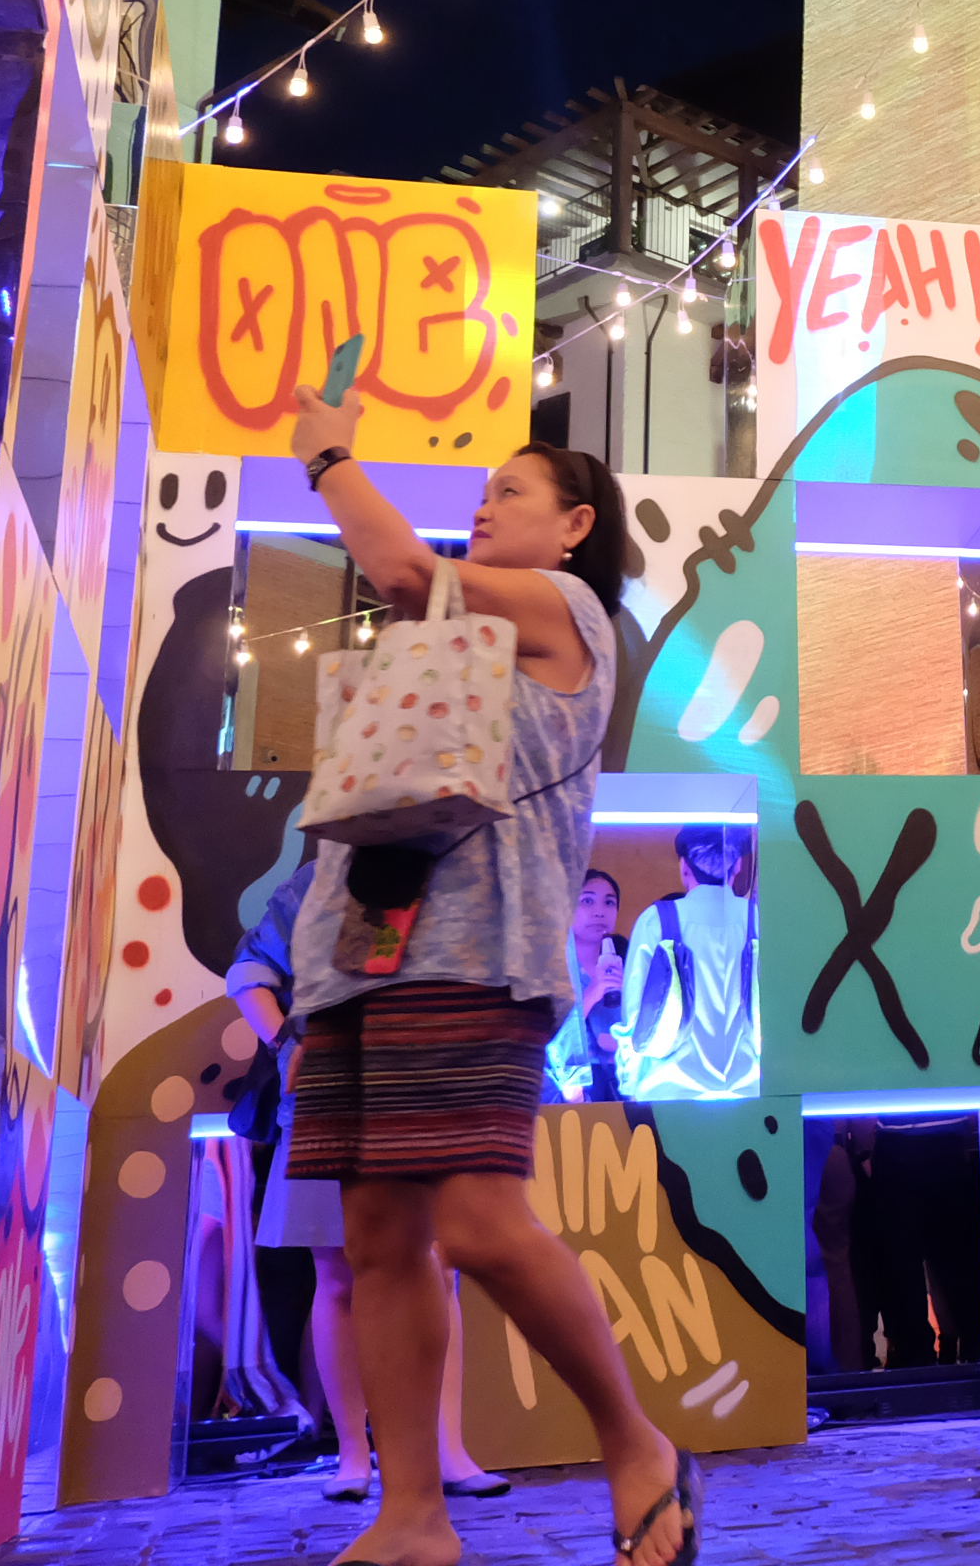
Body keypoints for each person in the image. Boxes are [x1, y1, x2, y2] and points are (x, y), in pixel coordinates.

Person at [283, 397, 698, 1566]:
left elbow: (404, 570)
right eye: (482, 493)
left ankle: (636, 1443)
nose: (484, 507)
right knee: (378, 1241)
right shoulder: (459, 639)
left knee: (476, 1222)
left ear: (576, 525)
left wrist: (327, 456)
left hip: (476, 955)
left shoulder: (570, 609)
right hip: (357, 954)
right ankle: (412, 1514)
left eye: (510, 492)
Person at [231, 857, 502, 1506]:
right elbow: (248, 973)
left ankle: (447, 1450)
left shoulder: (453, 868)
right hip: (328, 1097)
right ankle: (353, 1454)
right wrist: (284, 1043)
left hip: (425, 1094)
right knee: (337, 1276)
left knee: (437, 1269)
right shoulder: (315, 880)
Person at [614, 830, 758, 1099]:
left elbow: (635, 1017)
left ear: (684, 867)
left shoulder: (656, 920)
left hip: (667, 1094)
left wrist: (629, 1087)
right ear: (738, 864)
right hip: (751, 1089)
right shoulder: (759, 918)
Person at [553, 871, 633, 1104]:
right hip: (571, 1084)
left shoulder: (626, 960)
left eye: (609, 902)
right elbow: (550, 1031)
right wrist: (593, 991)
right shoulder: (555, 966)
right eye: (587, 900)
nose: (600, 911)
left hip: (623, 1081)